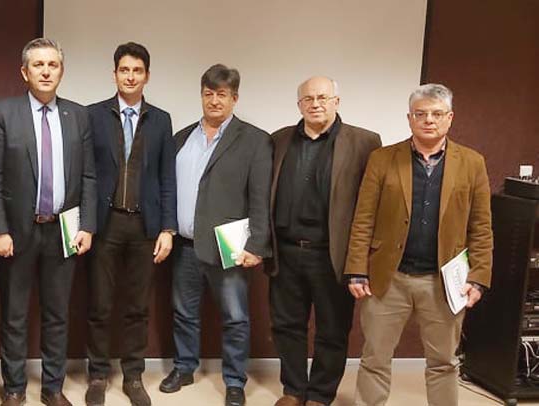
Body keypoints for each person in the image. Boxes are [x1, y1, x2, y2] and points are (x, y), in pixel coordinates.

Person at [345, 83, 493, 406]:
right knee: (374, 358)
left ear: (450, 118)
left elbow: (481, 226)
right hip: (388, 278)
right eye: (421, 114)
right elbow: (363, 218)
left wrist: (479, 277)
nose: (429, 120)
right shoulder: (382, 159)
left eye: (437, 114)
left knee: (444, 363)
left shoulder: (472, 163)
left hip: (443, 281)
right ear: (409, 118)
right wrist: (357, 269)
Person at [0, 37, 97, 406]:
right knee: (14, 315)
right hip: (16, 232)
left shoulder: (78, 115)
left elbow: (89, 176)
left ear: (61, 71)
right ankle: (14, 388)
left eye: (53, 65)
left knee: (57, 315)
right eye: (38, 65)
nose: (46, 71)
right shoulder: (4, 112)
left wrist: (88, 226)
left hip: (63, 231)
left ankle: (52, 388)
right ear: (24, 72)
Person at [160, 64, 273, 406]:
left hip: (230, 247)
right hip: (185, 246)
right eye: (208, 93)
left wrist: (257, 245)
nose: (214, 101)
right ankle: (184, 368)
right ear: (201, 95)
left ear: (234, 98)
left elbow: (260, 198)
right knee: (184, 312)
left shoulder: (254, 140)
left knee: (235, 318)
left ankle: (235, 381)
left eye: (222, 94)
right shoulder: (181, 138)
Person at [268, 76, 381, 406]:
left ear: (336, 102)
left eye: (322, 97)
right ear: (299, 104)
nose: (315, 104)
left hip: (333, 254)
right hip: (286, 252)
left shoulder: (364, 142)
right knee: (287, 326)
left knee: (332, 330)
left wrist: (362, 260)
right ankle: (293, 391)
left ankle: (320, 395)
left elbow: (373, 204)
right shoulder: (278, 139)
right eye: (308, 99)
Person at [84, 41, 176, 406]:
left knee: (137, 306)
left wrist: (167, 228)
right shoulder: (93, 115)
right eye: (125, 70)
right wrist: (85, 224)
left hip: (144, 227)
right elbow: (86, 174)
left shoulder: (161, 119)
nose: (131, 76)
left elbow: (167, 178)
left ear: (147, 76)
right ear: (115, 74)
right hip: (104, 225)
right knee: (100, 304)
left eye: (138, 71)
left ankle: (133, 375)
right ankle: (97, 375)